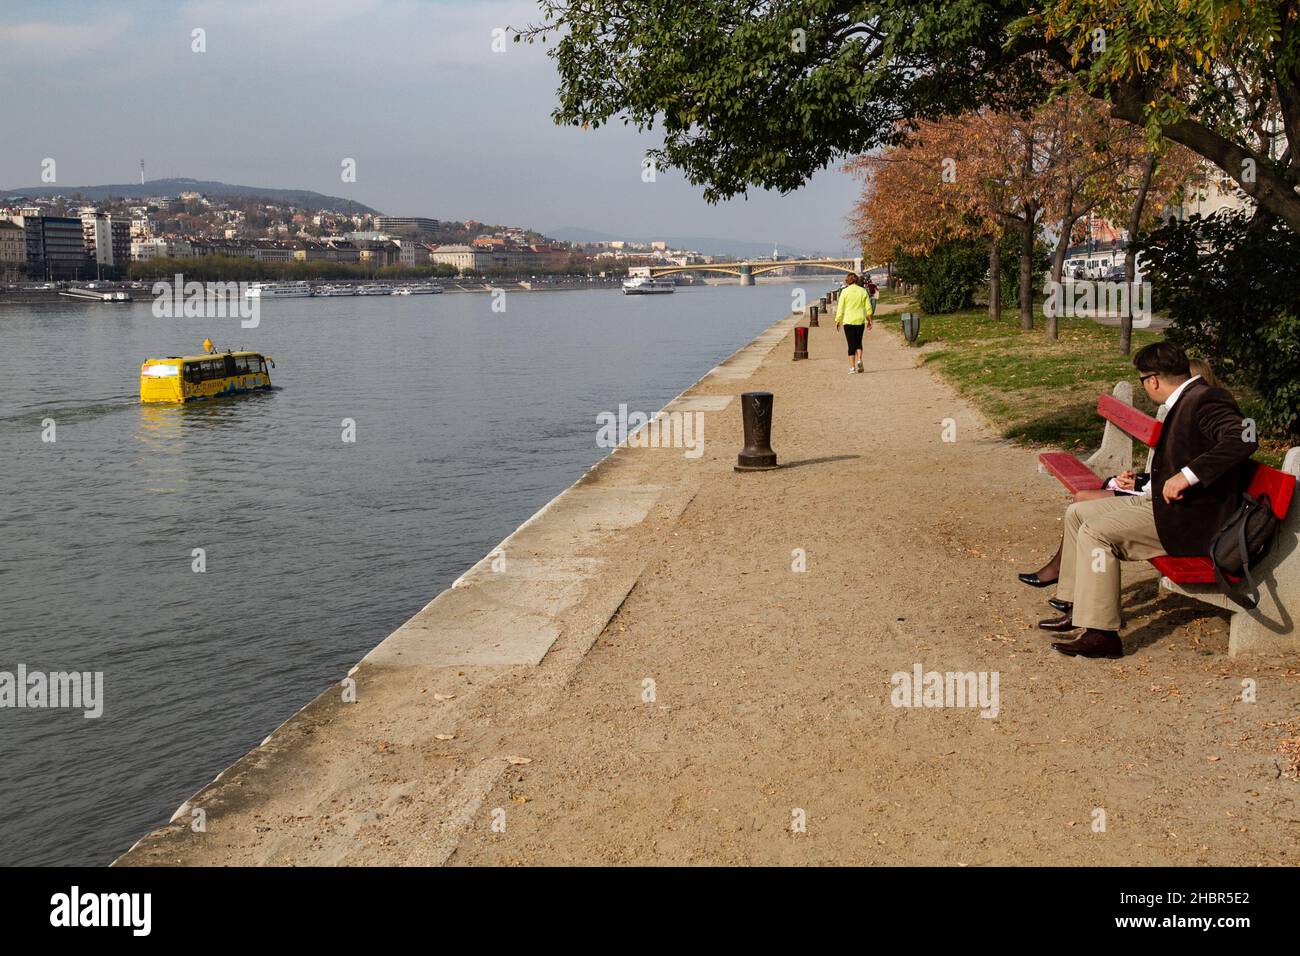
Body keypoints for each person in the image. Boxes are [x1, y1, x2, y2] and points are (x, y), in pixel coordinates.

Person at [1035, 345, 1257, 658]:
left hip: (1192, 522)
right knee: (1078, 513)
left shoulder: (1206, 399)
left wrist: (1187, 476)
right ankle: (1078, 606)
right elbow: (1180, 456)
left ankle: (1102, 635)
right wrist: (1142, 480)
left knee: (1096, 533)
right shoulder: (1186, 399)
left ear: (1152, 380)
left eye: (1142, 380)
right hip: (1168, 507)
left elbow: (1244, 439)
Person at [1018, 358, 1222, 590]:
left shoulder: (1202, 417)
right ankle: (1069, 592)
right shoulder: (1184, 414)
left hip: (1173, 513)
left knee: (1091, 522)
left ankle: (1079, 597)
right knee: (1080, 509)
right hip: (1153, 497)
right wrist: (1134, 480)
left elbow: (1188, 476)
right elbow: (1168, 474)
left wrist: (1148, 483)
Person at [835, 272, 874, 374]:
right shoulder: (863, 291)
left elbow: (840, 308)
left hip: (848, 321)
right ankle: (859, 360)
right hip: (860, 320)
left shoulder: (844, 292)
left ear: (848, 281)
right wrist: (870, 320)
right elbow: (868, 307)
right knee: (858, 341)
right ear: (856, 280)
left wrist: (838, 320)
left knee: (850, 344)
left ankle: (852, 368)